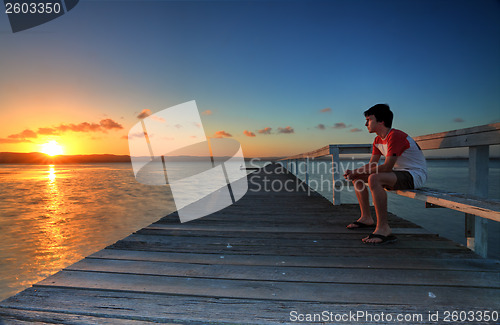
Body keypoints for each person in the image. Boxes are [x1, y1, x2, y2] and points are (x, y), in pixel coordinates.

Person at [343, 104, 427, 244]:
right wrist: (354, 173)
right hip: (398, 174)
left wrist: (356, 171)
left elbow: (387, 167)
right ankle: (366, 218)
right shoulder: (377, 140)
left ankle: (383, 228)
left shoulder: (395, 136)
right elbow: (372, 164)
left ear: (381, 121)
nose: (365, 124)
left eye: (369, 120)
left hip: (414, 175)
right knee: (357, 178)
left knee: (374, 178)